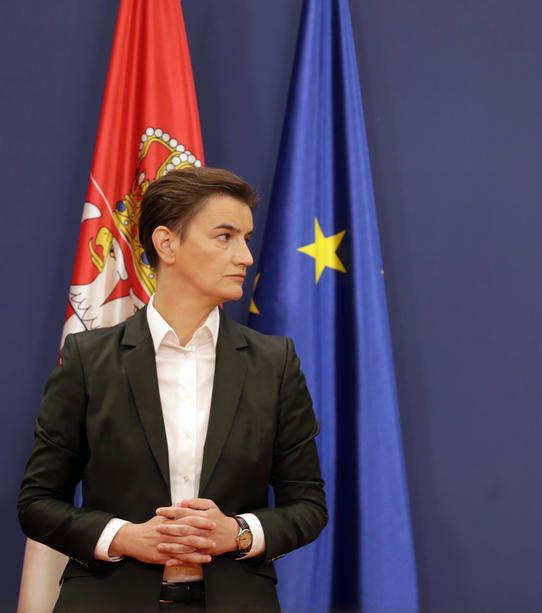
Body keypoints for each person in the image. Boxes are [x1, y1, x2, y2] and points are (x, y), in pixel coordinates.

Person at [18, 167, 327, 612]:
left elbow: (309, 505)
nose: (245, 256)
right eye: (225, 237)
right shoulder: (89, 359)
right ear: (166, 244)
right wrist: (123, 537)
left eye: (246, 238)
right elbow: (37, 502)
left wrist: (238, 532)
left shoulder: (275, 363)